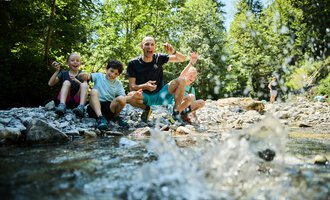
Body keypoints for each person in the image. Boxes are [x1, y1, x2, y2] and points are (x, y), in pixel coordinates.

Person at [126, 36, 187, 124]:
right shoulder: (133, 63)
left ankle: (175, 114)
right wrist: (145, 86)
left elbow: (183, 59)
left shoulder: (158, 58)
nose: (149, 47)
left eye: (152, 44)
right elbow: (132, 87)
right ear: (141, 46)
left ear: (154, 47)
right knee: (129, 96)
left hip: (161, 94)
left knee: (182, 80)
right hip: (144, 96)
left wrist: (173, 52)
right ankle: (147, 109)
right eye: (147, 44)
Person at [80, 59, 139, 130]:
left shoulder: (118, 83)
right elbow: (85, 76)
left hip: (109, 109)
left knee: (121, 98)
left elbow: (124, 98)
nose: (112, 75)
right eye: (111, 71)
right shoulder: (99, 76)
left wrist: (133, 97)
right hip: (94, 108)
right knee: (94, 91)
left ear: (118, 75)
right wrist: (83, 75)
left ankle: (115, 117)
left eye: (116, 74)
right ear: (106, 69)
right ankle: (100, 118)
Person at [48, 52, 89, 117]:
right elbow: (50, 83)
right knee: (66, 82)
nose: (75, 62)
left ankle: (81, 107)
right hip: (65, 99)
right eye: (72, 60)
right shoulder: (64, 73)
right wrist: (57, 71)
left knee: (84, 84)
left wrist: (77, 80)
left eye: (77, 61)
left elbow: (85, 87)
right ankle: (62, 105)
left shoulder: (82, 74)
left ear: (80, 63)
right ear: (67, 63)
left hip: (76, 101)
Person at [174, 52, 205, 124]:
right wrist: (191, 62)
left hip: (184, 110)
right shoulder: (181, 83)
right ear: (186, 75)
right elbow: (182, 74)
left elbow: (193, 103)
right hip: (175, 108)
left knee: (202, 102)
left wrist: (195, 117)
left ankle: (184, 115)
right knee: (190, 96)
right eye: (190, 75)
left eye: (194, 77)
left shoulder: (192, 89)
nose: (192, 78)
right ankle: (176, 115)